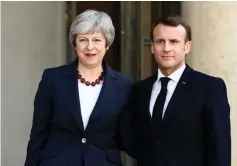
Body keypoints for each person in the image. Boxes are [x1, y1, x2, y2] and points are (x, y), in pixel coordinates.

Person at [24, 9, 131, 166]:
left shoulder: (123, 84)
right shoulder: (52, 79)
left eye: (96, 40)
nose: (90, 47)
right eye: (83, 40)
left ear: (107, 45)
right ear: (74, 44)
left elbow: (126, 135)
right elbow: (38, 134)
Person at [129, 15, 231, 166]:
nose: (166, 48)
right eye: (160, 41)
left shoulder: (210, 88)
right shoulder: (140, 89)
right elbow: (129, 135)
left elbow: (219, 148)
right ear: (152, 46)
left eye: (174, 41)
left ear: (187, 46)